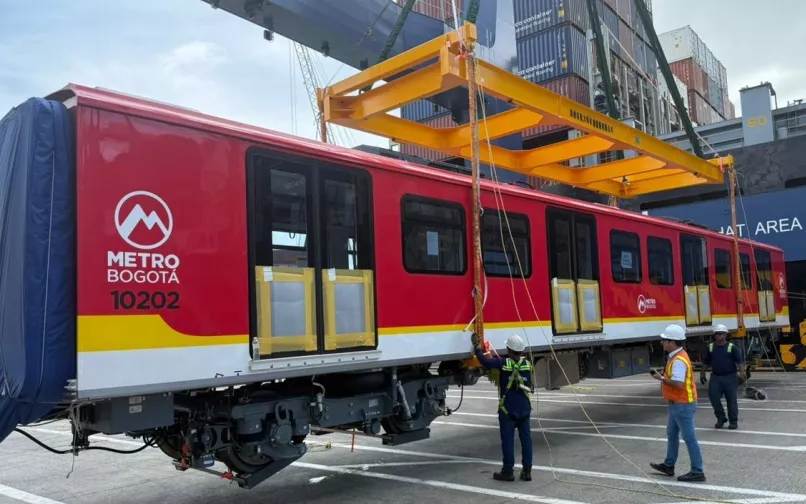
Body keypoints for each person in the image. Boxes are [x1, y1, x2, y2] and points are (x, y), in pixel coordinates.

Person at [471, 332, 533, 482]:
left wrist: (477, 347)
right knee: (526, 439)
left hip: (508, 409)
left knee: (508, 440)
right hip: (525, 408)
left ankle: (508, 471)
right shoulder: (527, 364)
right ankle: (527, 471)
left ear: (509, 350)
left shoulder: (503, 363)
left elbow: (485, 362)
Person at [649, 324, 706, 482]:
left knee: (689, 438)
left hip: (682, 404)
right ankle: (669, 465)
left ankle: (697, 471)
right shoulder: (678, 355)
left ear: (672, 342)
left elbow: (678, 384)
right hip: (678, 404)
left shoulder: (678, 360)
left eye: (664, 340)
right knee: (672, 434)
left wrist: (661, 378)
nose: (662, 343)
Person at [700, 324, 746, 429]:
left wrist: (742, 374)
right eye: (716, 334)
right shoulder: (710, 347)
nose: (718, 336)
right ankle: (721, 418)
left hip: (730, 377)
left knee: (731, 400)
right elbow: (706, 362)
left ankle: (733, 421)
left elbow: (740, 362)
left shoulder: (731, 347)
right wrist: (702, 373)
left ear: (726, 335)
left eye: (720, 334)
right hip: (716, 377)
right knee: (713, 397)